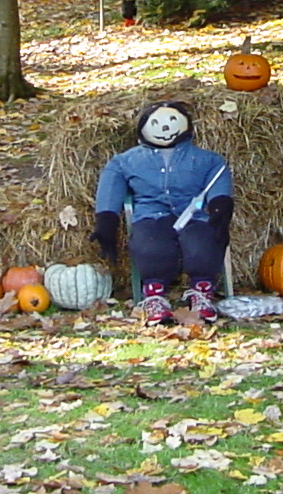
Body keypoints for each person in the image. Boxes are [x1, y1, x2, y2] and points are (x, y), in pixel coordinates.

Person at [91, 100, 233, 326]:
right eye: (156, 123)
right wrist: (106, 218)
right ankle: (154, 295)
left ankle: (202, 291)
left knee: (202, 242)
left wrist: (220, 205)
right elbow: (111, 185)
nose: (165, 128)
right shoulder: (126, 161)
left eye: (172, 122)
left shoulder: (207, 159)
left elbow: (218, 179)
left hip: (193, 213)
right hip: (151, 215)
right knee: (150, 246)